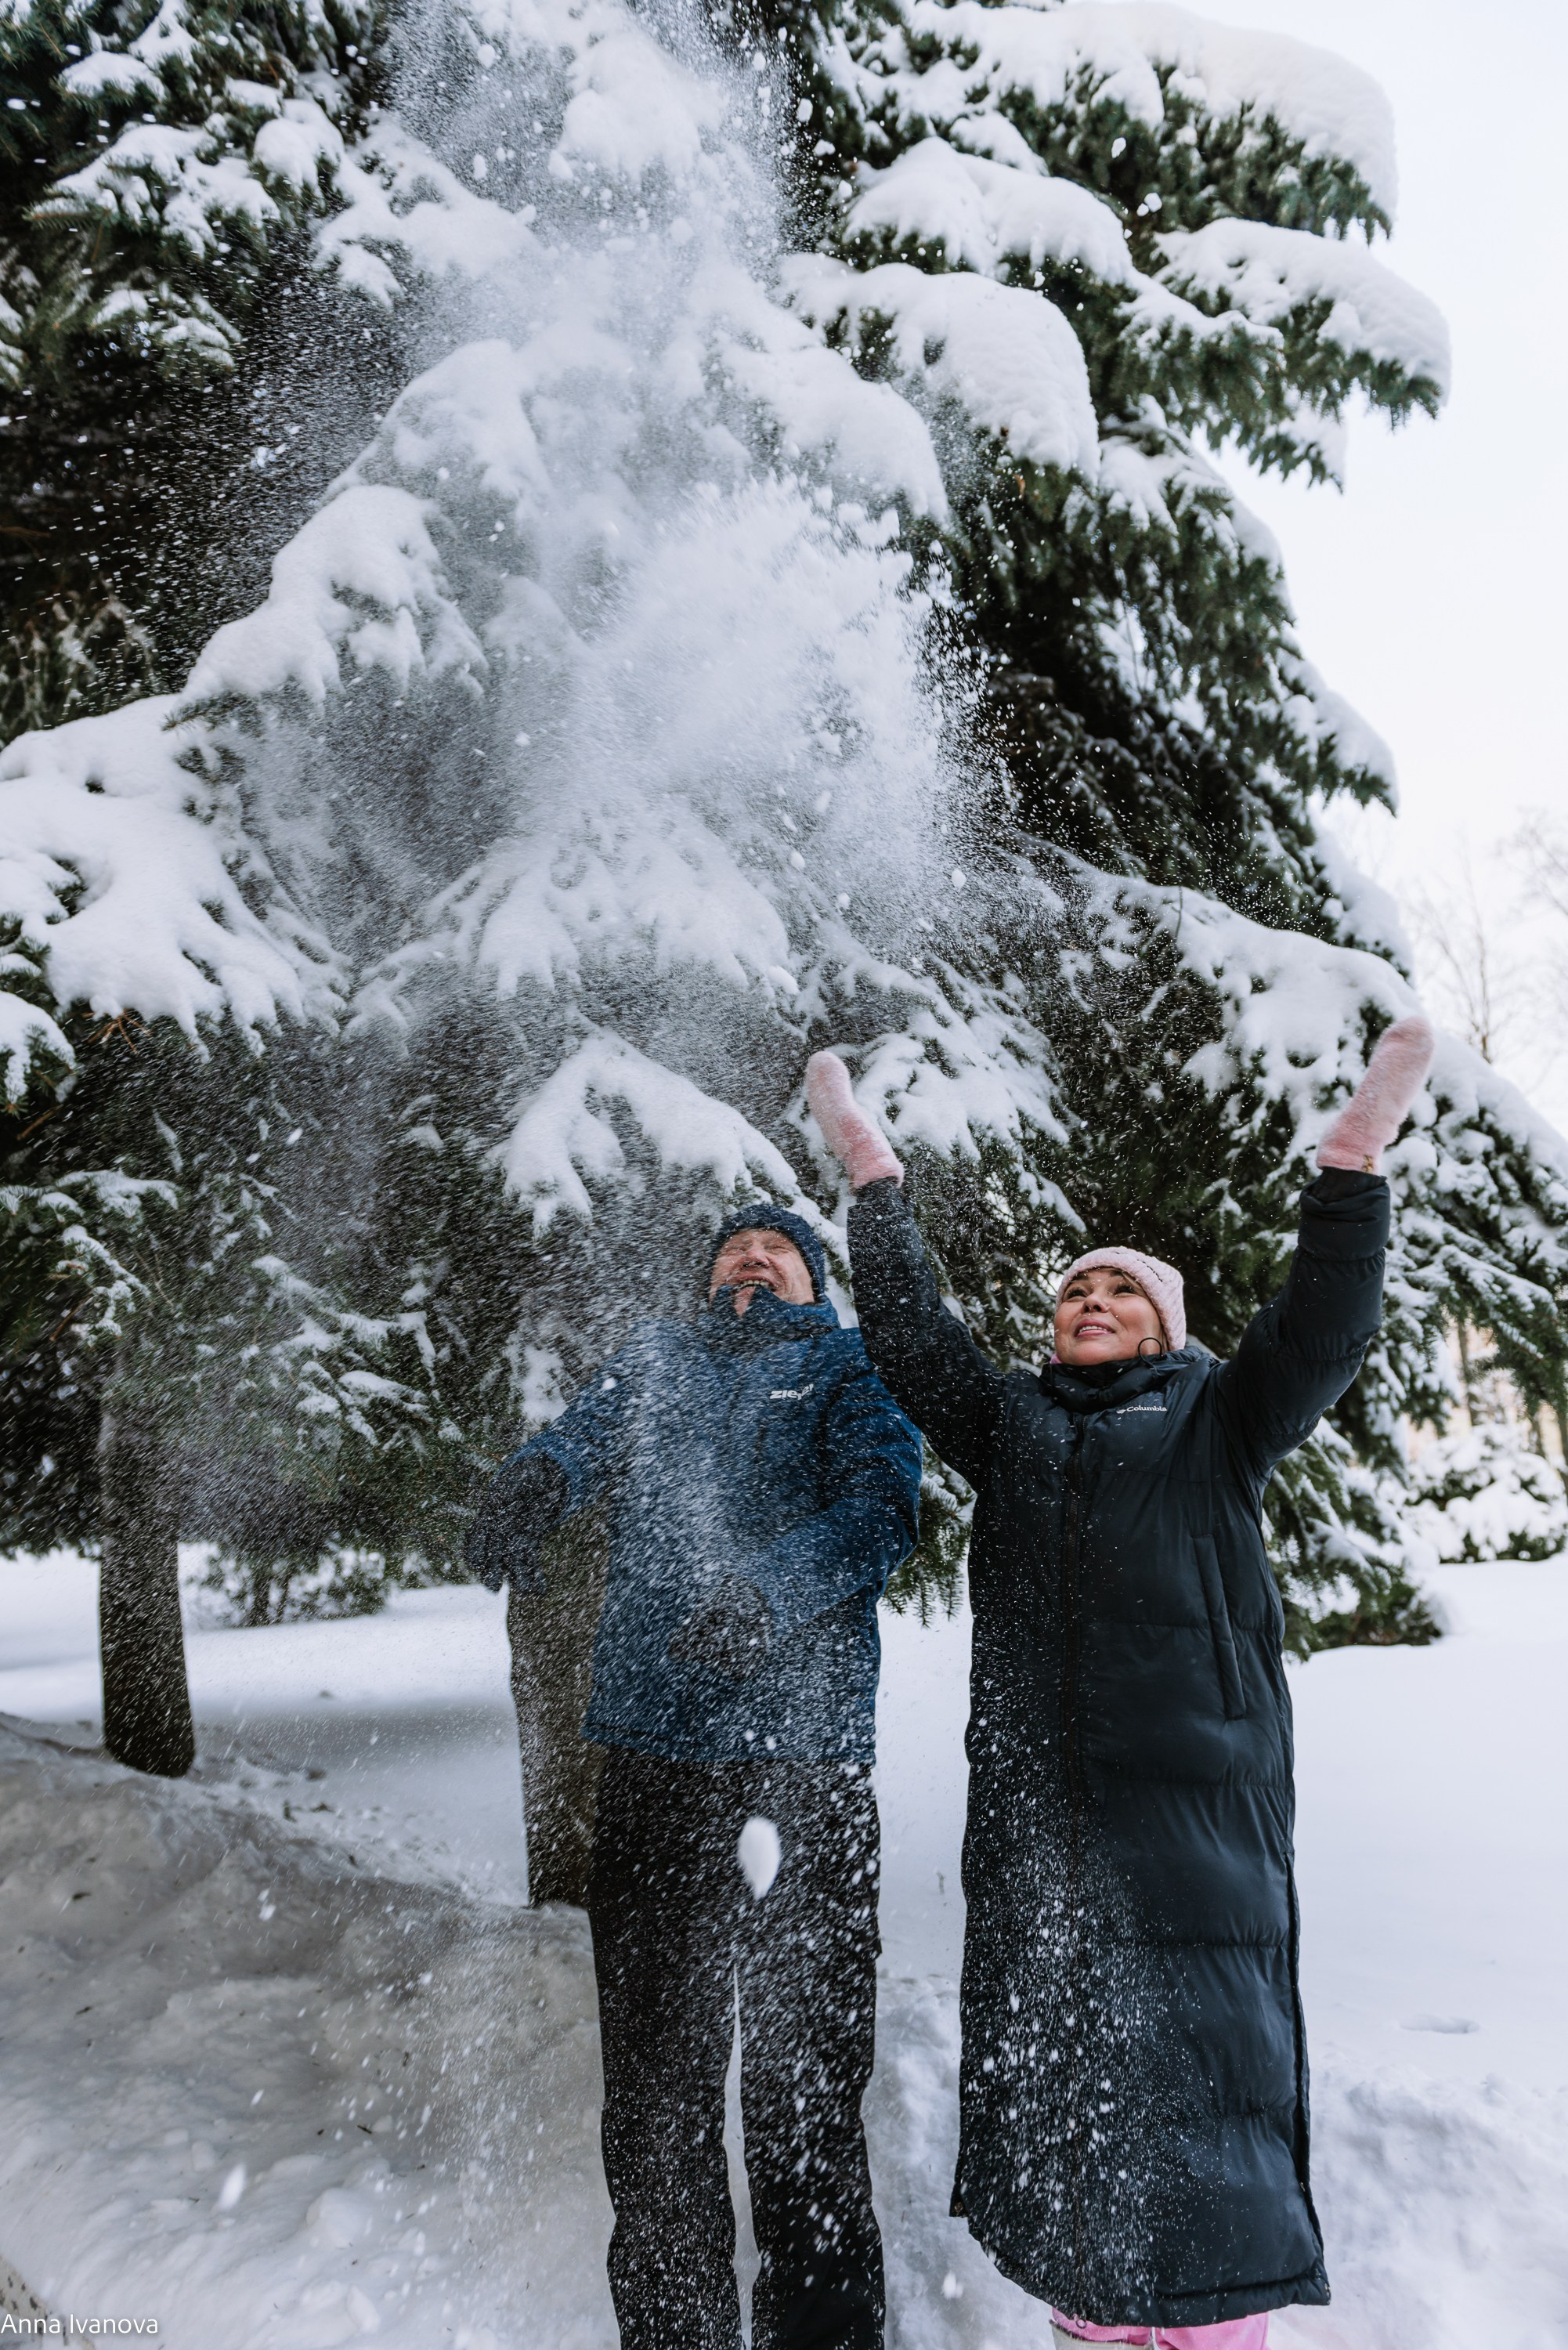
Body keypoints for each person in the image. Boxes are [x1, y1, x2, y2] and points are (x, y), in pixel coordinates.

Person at [804, 1014, 1436, 2350]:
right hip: (1040, 1822)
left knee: (1203, 2078)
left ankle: (1206, 2328)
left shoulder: (1217, 1416)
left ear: (1167, 1324)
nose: (1088, 1303)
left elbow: (1322, 1332)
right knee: (1064, 2084)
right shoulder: (1011, 1425)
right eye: (1072, 1293)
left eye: (1120, 1292)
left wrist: (1350, 1168)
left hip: (1193, 1816)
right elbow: (912, 1341)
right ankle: (1087, 2320)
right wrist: (873, 1185)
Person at [467, 1206, 923, 2350]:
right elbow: (578, 1441)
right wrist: (532, 1484)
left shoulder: (849, 1368)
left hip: (799, 1771)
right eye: (732, 1251)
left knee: (802, 2085)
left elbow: (880, 1514)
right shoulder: (656, 1361)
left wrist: (767, 1595)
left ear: (814, 1284)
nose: (752, 1259)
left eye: (778, 1252)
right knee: (656, 2094)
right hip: (652, 1762)